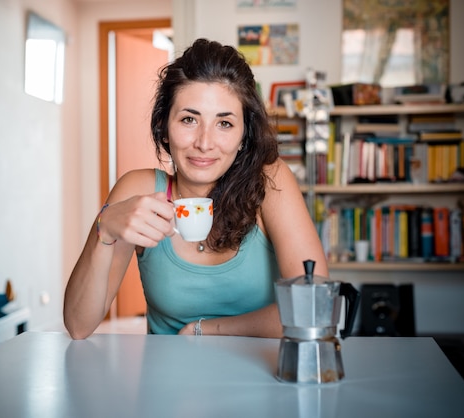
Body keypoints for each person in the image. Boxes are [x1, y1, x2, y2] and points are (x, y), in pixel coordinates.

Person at [64, 38, 328, 339]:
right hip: (168, 381)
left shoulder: (271, 181)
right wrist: (105, 228)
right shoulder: (139, 188)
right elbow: (78, 325)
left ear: (244, 135)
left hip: (262, 378)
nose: (204, 142)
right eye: (189, 119)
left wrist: (204, 330)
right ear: (164, 126)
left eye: (224, 124)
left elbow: (313, 307)